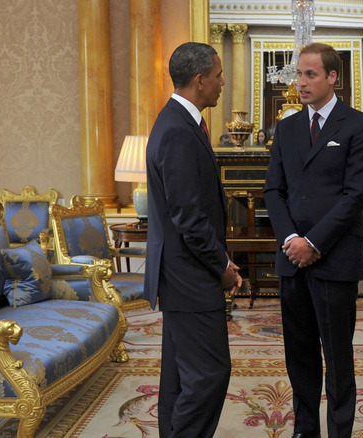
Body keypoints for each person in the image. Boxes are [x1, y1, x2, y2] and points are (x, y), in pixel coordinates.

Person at [263, 43, 363, 438]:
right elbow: (273, 192)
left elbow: (355, 196)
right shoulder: (289, 127)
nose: (301, 83)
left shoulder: (360, 125)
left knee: (338, 357)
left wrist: (313, 242)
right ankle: (304, 430)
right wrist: (293, 239)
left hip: (334, 259)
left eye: (310, 75)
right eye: (299, 75)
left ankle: (340, 432)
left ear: (333, 77)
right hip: (291, 260)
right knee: (299, 355)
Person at [144, 42, 242, 438]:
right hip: (189, 274)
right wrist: (221, 266)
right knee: (208, 375)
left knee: (180, 378)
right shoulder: (177, 131)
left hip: (183, 271)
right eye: (218, 76)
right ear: (200, 80)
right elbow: (188, 215)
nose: (222, 83)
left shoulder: (180, 123)